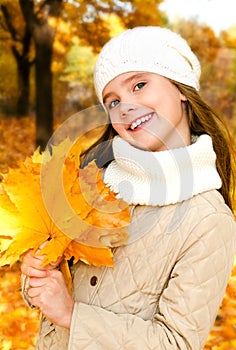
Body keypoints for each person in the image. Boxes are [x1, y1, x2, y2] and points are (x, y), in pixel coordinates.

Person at [21, 26, 236, 350]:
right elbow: (47, 277)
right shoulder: (89, 178)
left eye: (139, 84)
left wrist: (72, 315)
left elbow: (175, 343)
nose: (126, 106)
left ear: (181, 88)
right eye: (113, 101)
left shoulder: (208, 221)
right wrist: (35, 272)